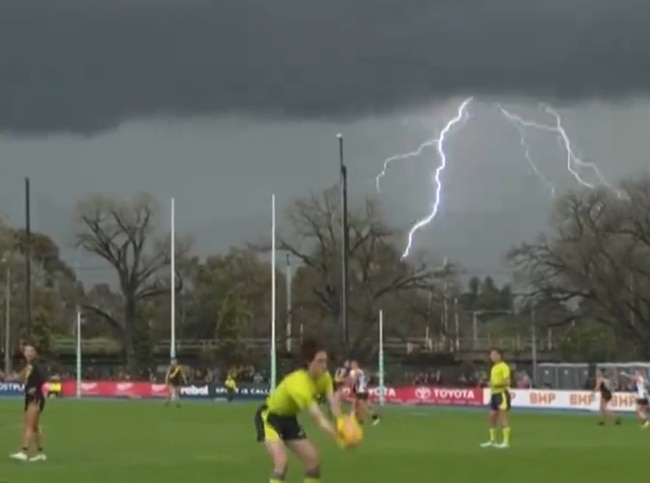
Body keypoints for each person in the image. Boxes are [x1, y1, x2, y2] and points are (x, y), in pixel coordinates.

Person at [254, 339, 343, 483]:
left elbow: (332, 402)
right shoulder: (298, 383)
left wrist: (342, 423)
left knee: (313, 461)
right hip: (270, 418)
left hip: (289, 419)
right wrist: (335, 434)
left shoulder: (325, 377)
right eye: (320, 361)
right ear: (308, 362)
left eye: (326, 361)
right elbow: (317, 416)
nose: (324, 366)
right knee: (282, 462)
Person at [10, 344, 47, 462]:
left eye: (31, 351)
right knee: (35, 427)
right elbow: (19, 377)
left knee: (29, 426)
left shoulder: (34, 366)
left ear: (35, 353)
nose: (29, 353)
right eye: (27, 351)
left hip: (34, 398)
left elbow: (41, 379)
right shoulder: (29, 366)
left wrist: (34, 388)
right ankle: (40, 454)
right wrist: (11, 377)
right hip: (32, 398)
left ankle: (24, 452)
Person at [480, 348, 511, 449]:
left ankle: (505, 442)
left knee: (503, 417)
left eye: (493, 354)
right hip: (494, 394)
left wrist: (495, 384)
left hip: (501, 394)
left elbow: (507, 382)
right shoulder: (494, 367)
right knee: (492, 417)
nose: (491, 356)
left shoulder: (504, 367)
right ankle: (492, 440)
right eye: (491, 355)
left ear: (499, 355)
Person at [349, 361, 380, 426]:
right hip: (360, 391)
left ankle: (374, 418)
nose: (352, 366)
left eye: (353, 364)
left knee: (363, 407)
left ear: (356, 365)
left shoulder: (359, 371)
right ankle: (359, 419)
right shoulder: (353, 372)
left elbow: (356, 377)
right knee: (356, 405)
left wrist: (353, 377)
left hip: (362, 392)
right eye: (351, 365)